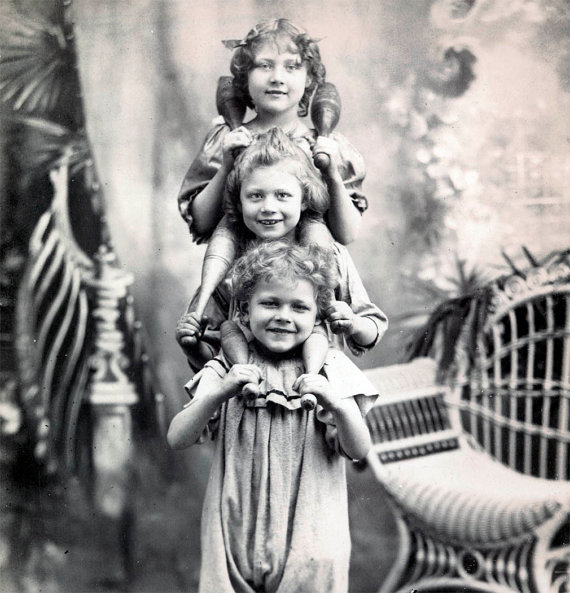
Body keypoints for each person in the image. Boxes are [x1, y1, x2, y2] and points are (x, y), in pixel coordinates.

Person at [168, 241, 381, 593]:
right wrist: (219, 393)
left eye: (299, 307)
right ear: (244, 311)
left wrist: (339, 405)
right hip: (236, 533)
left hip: (311, 536)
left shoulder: (329, 368)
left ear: (317, 316)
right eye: (270, 303)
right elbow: (177, 438)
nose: (283, 315)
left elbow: (358, 450)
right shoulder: (228, 367)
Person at [178, 18, 368, 323]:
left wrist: (332, 173)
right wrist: (227, 165)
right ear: (245, 78)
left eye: (292, 67)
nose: (277, 77)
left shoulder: (327, 145)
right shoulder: (227, 140)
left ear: (309, 79)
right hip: (239, 291)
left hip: (307, 295)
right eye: (264, 65)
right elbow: (201, 223)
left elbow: (346, 234)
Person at [175, 128, 387, 373]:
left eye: (282, 195)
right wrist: (192, 347)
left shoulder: (332, 256)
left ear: (304, 200)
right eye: (255, 196)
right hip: (245, 391)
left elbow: (372, 330)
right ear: (239, 202)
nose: (268, 207)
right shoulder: (227, 265)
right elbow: (210, 358)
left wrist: (354, 324)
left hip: (317, 391)